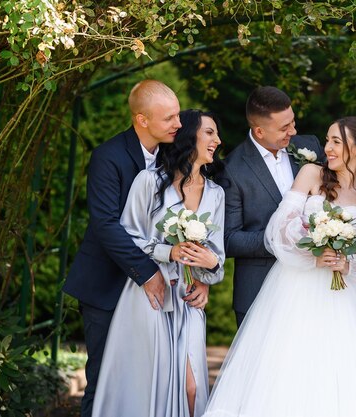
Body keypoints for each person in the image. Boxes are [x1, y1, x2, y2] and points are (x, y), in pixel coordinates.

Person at [204, 117, 356, 417]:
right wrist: (314, 253)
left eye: (336, 142)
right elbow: (280, 229)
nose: (327, 148)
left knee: (348, 371)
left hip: (348, 298)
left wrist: (347, 262)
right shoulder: (311, 174)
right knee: (291, 368)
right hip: (296, 288)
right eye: (327, 140)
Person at [92, 109, 226, 417]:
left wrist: (210, 268)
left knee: (192, 388)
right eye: (209, 133)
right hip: (151, 295)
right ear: (188, 136)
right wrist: (170, 252)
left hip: (189, 301)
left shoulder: (216, 194)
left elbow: (217, 255)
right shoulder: (149, 182)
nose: (217, 140)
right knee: (153, 385)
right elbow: (127, 236)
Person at [63, 79, 183, 417]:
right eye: (169, 118)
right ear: (142, 120)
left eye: (177, 116)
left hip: (159, 285)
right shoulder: (108, 156)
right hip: (107, 285)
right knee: (103, 380)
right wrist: (148, 274)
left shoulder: (173, 155)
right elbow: (105, 225)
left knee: (147, 377)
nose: (178, 124)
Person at [216, 86, 324, 327]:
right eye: (284, 128)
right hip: (260, 291)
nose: (293, 131)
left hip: (316, 287)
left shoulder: (310, 147)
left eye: (293, 122)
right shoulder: (232, 170)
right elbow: (229, 239)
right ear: (259, 131)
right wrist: (284, 240)